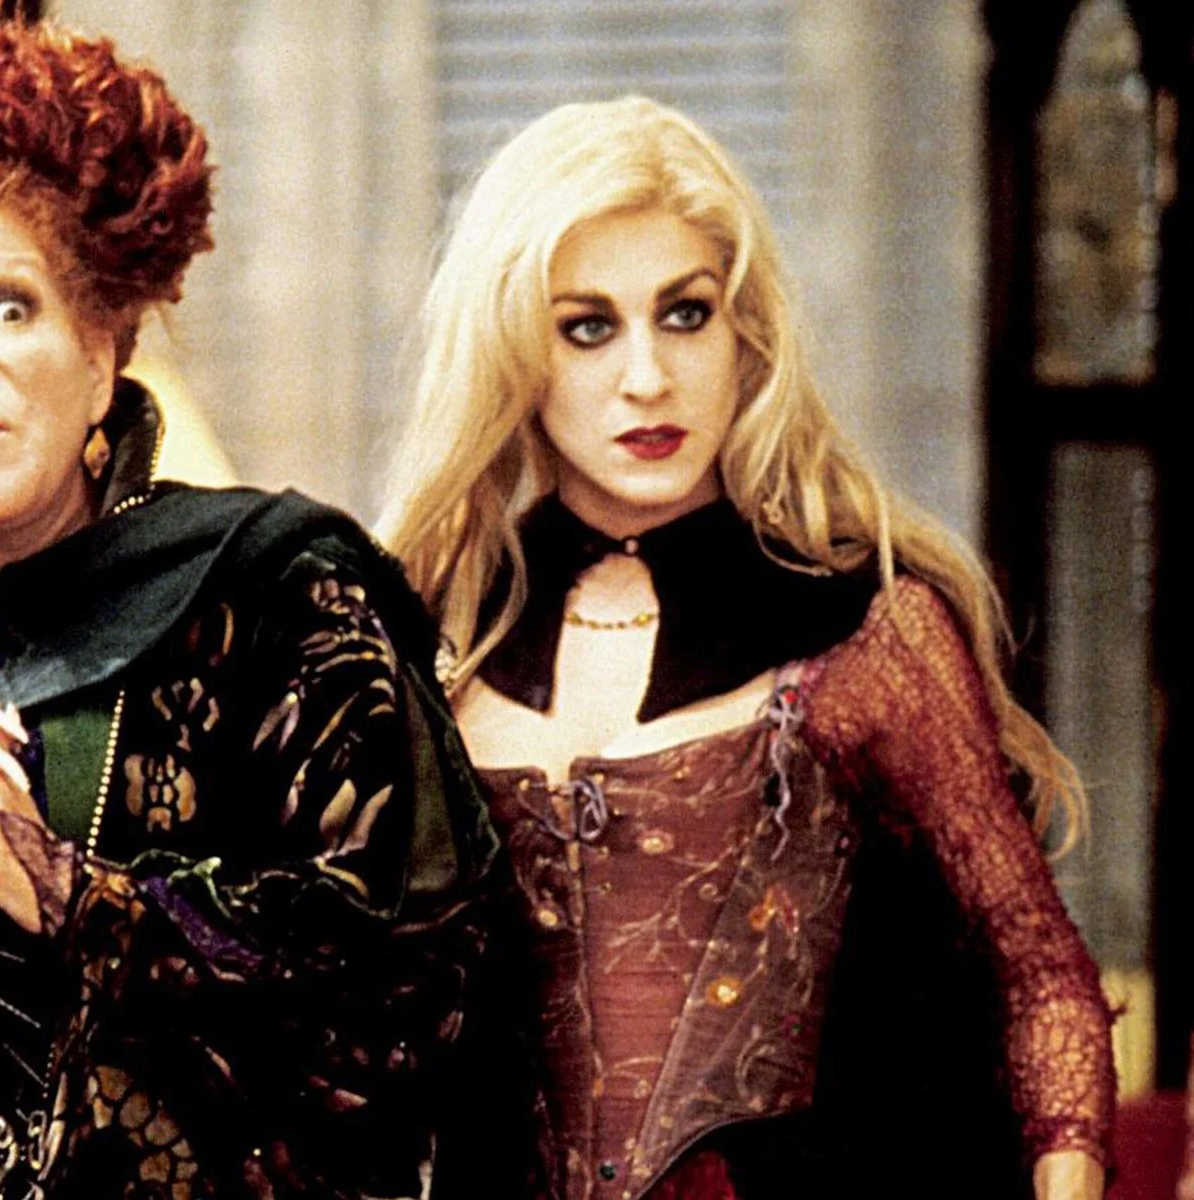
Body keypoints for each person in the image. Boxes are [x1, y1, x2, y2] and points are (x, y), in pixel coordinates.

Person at [0, 6, 507, 1197]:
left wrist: (75, 898)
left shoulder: (281, 601)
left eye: (10, 306)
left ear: (101, 354)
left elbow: (423, 997)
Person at [377, 95, 1115, 1200]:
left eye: (686, 314)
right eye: (588, 327)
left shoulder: (866, 628)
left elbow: (1038, 976)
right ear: (516, 353)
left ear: (746, 334)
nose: (647, 377)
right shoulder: (434, 640)